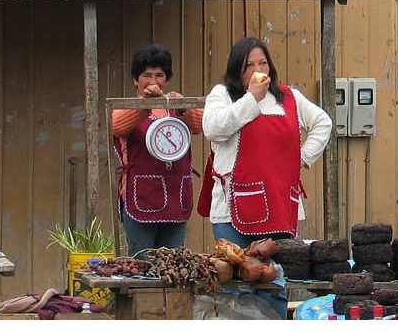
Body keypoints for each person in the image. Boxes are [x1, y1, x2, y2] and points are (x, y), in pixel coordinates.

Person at [197, 37, 332, 319]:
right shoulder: (222, 95)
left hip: (279, 206)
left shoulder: (288, 97)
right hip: (233, 209)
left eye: (263, 63)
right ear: (237, 70)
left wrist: (303, 158)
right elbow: (213, 128)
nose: (258, 69)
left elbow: (323, 122)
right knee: (236, 285)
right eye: (249, 65)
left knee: (274, 282)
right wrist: (251, 99)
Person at [111, 44, 203, 258]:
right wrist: (145, 104)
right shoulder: (126, 107)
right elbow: (118, 125)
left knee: (173, 265)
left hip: (175, 197)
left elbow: (198, 125)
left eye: (159, 75)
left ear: (166, 79)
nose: (153, 81)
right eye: (146, 75)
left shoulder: (175, 104)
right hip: (140, 198)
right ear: (136, 79)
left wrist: (183, 106)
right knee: (142, 264)